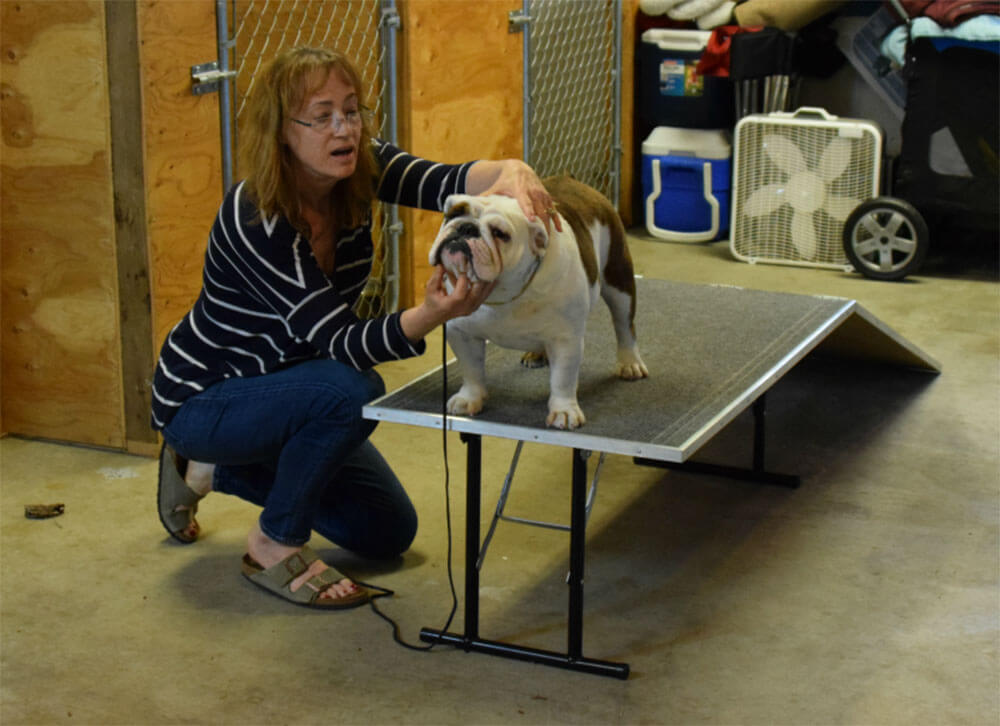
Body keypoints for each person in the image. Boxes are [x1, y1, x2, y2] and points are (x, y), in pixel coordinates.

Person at [152, 47, 559, 610]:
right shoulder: (258, 217)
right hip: (208, 395)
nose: (343, 129)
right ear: (281, 132)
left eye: (351, 110)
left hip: (295, 384)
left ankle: (214, 470)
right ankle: (272, 542)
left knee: (385, 533)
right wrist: (434, 314)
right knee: (353, 390)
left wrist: (512, 170)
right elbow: (343, 342)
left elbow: (448, 179)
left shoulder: (360, 166)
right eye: (321, 117)